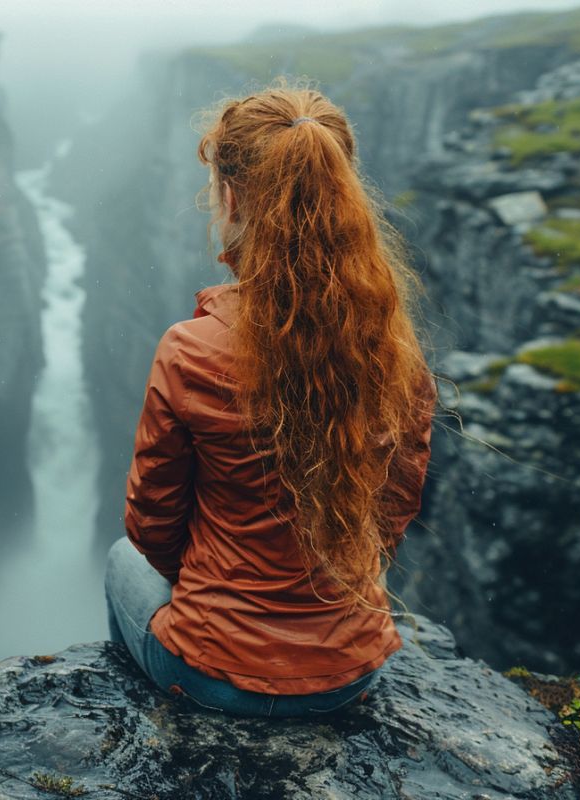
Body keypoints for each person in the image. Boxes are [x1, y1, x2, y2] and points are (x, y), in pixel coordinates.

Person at [104, 83, 437, 718]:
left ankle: (152, 730)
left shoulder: (191, 350)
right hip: (349, 674)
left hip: (214, 676)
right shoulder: (391, 346)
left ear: (230, 198)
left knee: (122, 561)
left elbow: (152, 526)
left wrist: (227, 601)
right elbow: (396, 506)